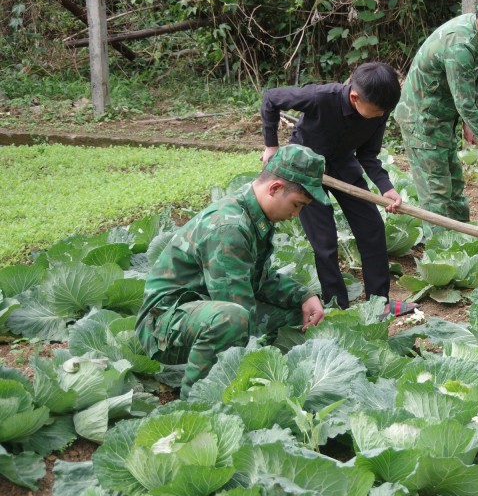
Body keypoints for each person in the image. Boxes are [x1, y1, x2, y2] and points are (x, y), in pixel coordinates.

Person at [136, 144, 330, 398]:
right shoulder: (229, 228)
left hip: (202, 310)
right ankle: (197, 401)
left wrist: (304, 296)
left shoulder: (255, 211)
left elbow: (258, 281)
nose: (295, 215)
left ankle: (234, 374)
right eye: (296, 205)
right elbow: (236, 306)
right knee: (233, 320)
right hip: (164, 325)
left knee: (294, 314)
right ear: (274, 189)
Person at [260, 61, 415, 316]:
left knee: (372, 227)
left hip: (343, 164)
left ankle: (380, 302)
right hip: (306, 171)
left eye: (383, 113)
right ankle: (338, 307)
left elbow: (368, 154)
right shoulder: (320, 98)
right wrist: (271, 147)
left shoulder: (379, 108)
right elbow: (271, 98)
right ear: (355, 97)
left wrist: (386, 188)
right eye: (376, 112)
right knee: (325, 242)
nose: (380, 116)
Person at [393, 0, 478, 221]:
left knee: (454, 185)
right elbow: (465, 102)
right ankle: (440, 252)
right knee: (437, 195)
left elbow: (467, 85)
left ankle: (461, 241)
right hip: (422, 121)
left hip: (441, 117)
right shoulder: (461, 45)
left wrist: (468, 122)